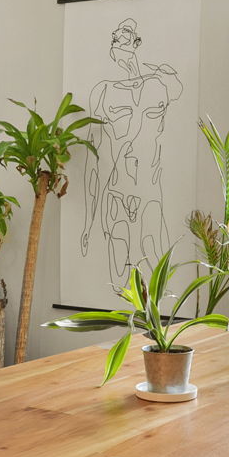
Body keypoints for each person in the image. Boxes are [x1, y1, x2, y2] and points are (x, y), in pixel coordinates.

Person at [78, 18, 183, 289]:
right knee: (119, 282)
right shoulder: (104, 92)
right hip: (117, 191)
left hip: (149, 191)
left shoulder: (160, 86)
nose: (118, 40)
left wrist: (162, 74)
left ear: (136, 42)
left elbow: (177, 89)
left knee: (159, 275)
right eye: (116, 36)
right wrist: (88, 222)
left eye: (125, 36)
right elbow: (93, 159)